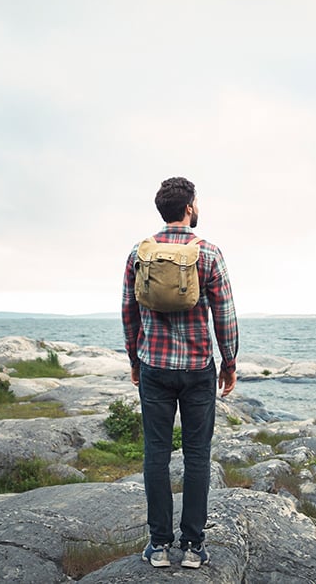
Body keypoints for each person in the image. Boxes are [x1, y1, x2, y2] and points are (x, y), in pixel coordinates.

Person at [122, 176, 239, 569]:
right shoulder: (208, 252)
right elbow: (224, 314)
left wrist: (134, 361)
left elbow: (129, 311)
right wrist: (230, 362)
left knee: (155, 454)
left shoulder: (140, 253)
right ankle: (192, 546)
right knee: (197, 455)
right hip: (196, 369)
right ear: (189, 208)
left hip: (154, 367)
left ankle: (158, 545)